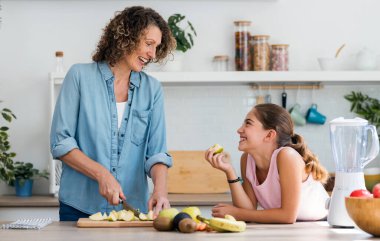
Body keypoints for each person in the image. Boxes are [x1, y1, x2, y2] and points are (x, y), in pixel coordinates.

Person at [50, 6, 176, 221]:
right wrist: (102, 174)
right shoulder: (79, 77)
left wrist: (160, 190)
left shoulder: (152, 89)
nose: (152, 54)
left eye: (157, 47)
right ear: (126, 36)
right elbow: (61, 142)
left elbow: (156, 153)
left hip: (133, 208)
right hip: (79, 207)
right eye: (148, 44)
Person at [205, 103, 329, 223]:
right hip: (294, 228)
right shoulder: (247, 159)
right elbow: (248, 210)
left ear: (269, 135)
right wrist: (229, 171)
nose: (239, 130)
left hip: (322, 225)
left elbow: (288, 216)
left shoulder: (287, 156)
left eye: (248, 123)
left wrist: (236, 213)